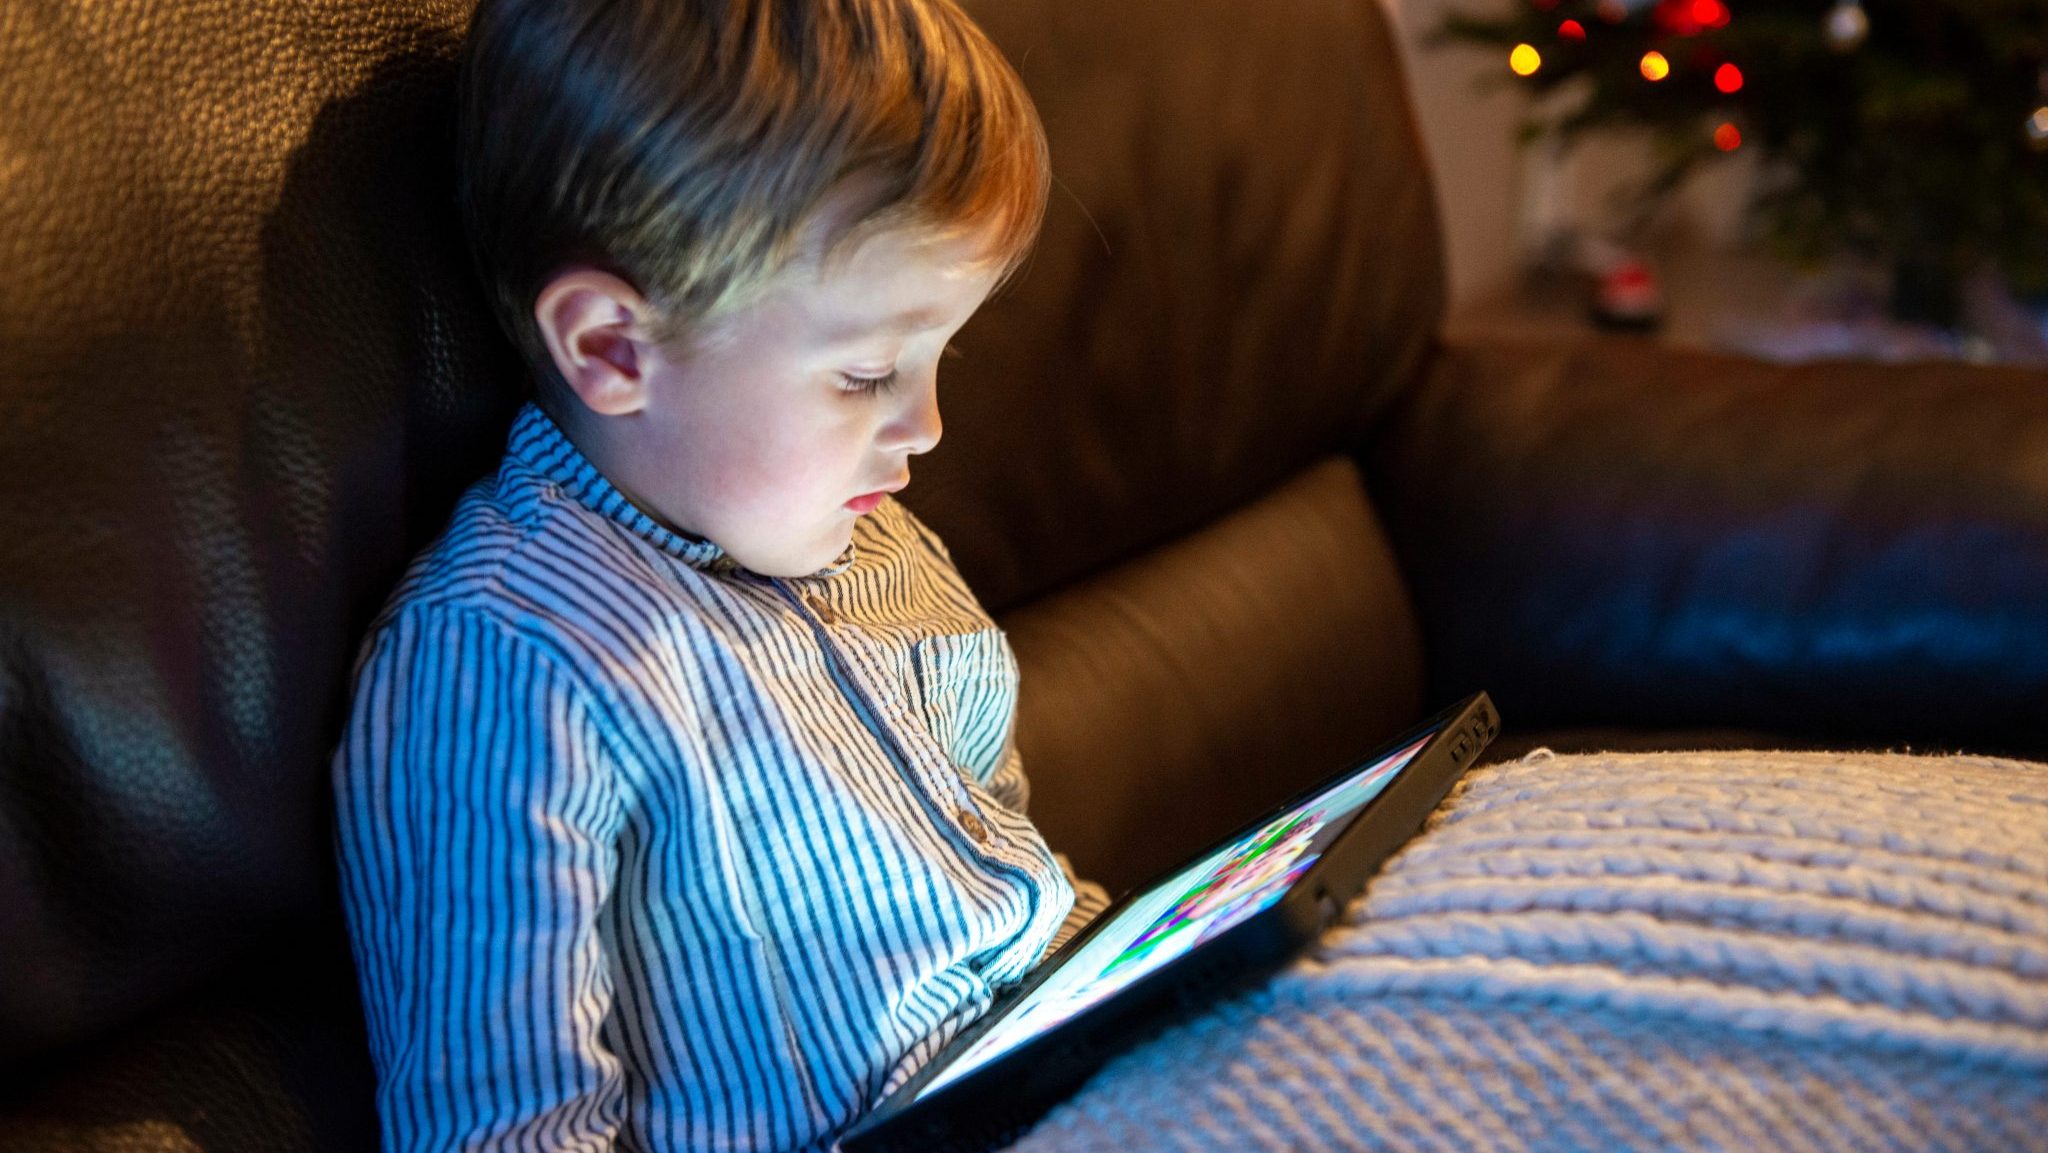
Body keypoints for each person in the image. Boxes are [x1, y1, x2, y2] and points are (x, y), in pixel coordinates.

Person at [330, 1, 1109, 1149]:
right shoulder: (508, 657)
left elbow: (1004, 847)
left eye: (943, 353)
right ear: (611, 349)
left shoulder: (882, 547)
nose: (928, 425)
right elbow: (507, 1130)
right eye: (863, 373)